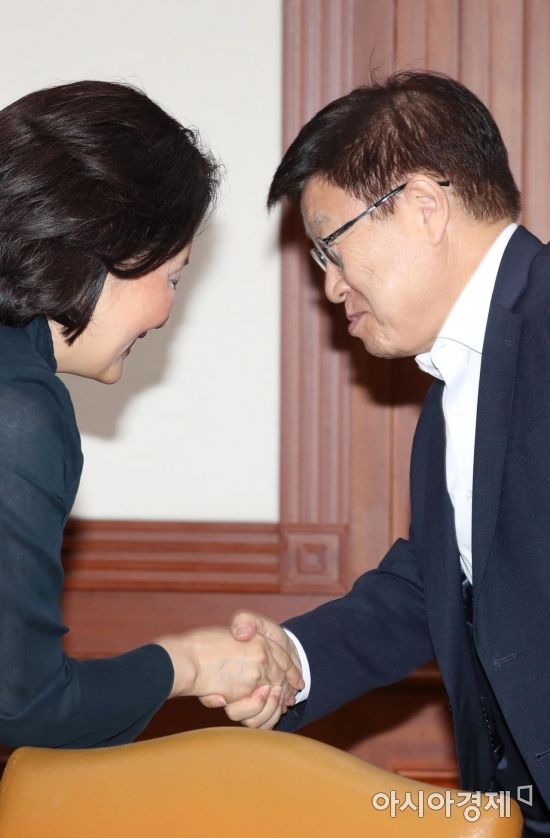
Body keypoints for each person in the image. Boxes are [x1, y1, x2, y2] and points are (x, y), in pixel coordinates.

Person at [216, 71, 550, 835]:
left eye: (330, 248)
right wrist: (291, 658)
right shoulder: (452, 388)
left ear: (423, 206)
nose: (331, 287)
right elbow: (439, 586)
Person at [0, 80, 302, 749]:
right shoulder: (20, 409)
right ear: (115, 245)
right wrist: (188, 662)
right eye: (173, 276)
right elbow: (26, 705)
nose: (166, 314)